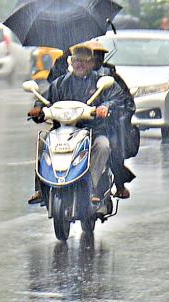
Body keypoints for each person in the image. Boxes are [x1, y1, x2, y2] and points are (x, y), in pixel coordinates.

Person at [27, 43, 122, 204]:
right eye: (77, 60)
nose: (80, 64)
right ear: (71, 62)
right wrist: (38, 109)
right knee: (43, 144)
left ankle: (94, 186)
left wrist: (105, 107)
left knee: (103, 145)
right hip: (62, 130)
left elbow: (117, 98)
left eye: (84, 61)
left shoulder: (100, 82)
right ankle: (41, 189)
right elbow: (44, 100)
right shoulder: (60, 83)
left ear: (92, 63)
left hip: (93, 131)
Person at [87, 41, 136, 199]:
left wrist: (111, 110)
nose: (94, 59)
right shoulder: (71, 77)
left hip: (106, 125)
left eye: (98, 55)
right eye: (90, 55)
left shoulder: (111, 78)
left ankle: (119, 185)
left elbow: (126, 101)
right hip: (79, 125)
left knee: (113, 147)